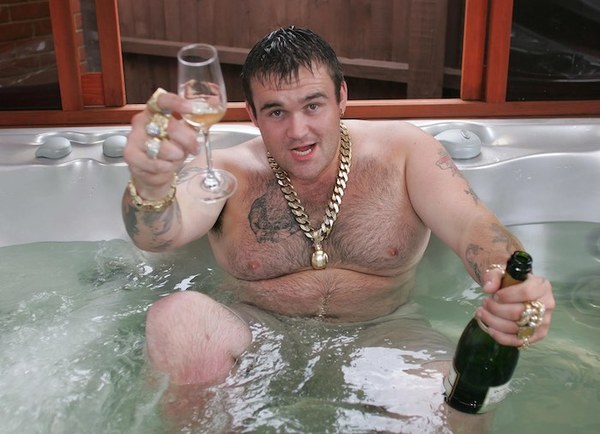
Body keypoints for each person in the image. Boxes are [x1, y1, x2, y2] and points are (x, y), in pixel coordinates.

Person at [122, 26, 554, 428]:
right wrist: (149, 183)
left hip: (385, 332)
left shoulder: (405, 153)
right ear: (252, 114)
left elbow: (473, 227)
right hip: (259, 335)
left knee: (446, 408)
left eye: (313, 105)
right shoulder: (229, 170)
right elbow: (156, 234)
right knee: (177, 318)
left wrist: (512, 285)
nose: (298, 131)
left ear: (342, 97)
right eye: (276, 111)